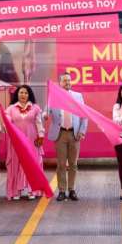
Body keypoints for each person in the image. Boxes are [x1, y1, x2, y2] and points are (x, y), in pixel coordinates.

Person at [46, 73, 88, 201]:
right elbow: (47, 110)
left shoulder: (77, 96)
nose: (68, 82)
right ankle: (62, 190)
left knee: (74, 164)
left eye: (69, 80)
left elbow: (84, 115)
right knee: (61, 164)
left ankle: (72, 189)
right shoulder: (54, 96)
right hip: (60, 134)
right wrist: (44, 114)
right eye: (65, 81)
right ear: (60, 83)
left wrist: (82, 130)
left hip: (74, 134)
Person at [5, 85, 45, 200]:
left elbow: (38, 123)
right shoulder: (11, 108)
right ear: (17, 94)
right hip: (16, 141)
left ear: (29, 95)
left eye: (26, 93)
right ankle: (16, 191)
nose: (23, 95)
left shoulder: (35, 108)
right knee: (16, 165)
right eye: (21, 92)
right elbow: (7, 122)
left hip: (31, 140)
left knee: (31, 164)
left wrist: (41, 136)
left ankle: (32, 190)